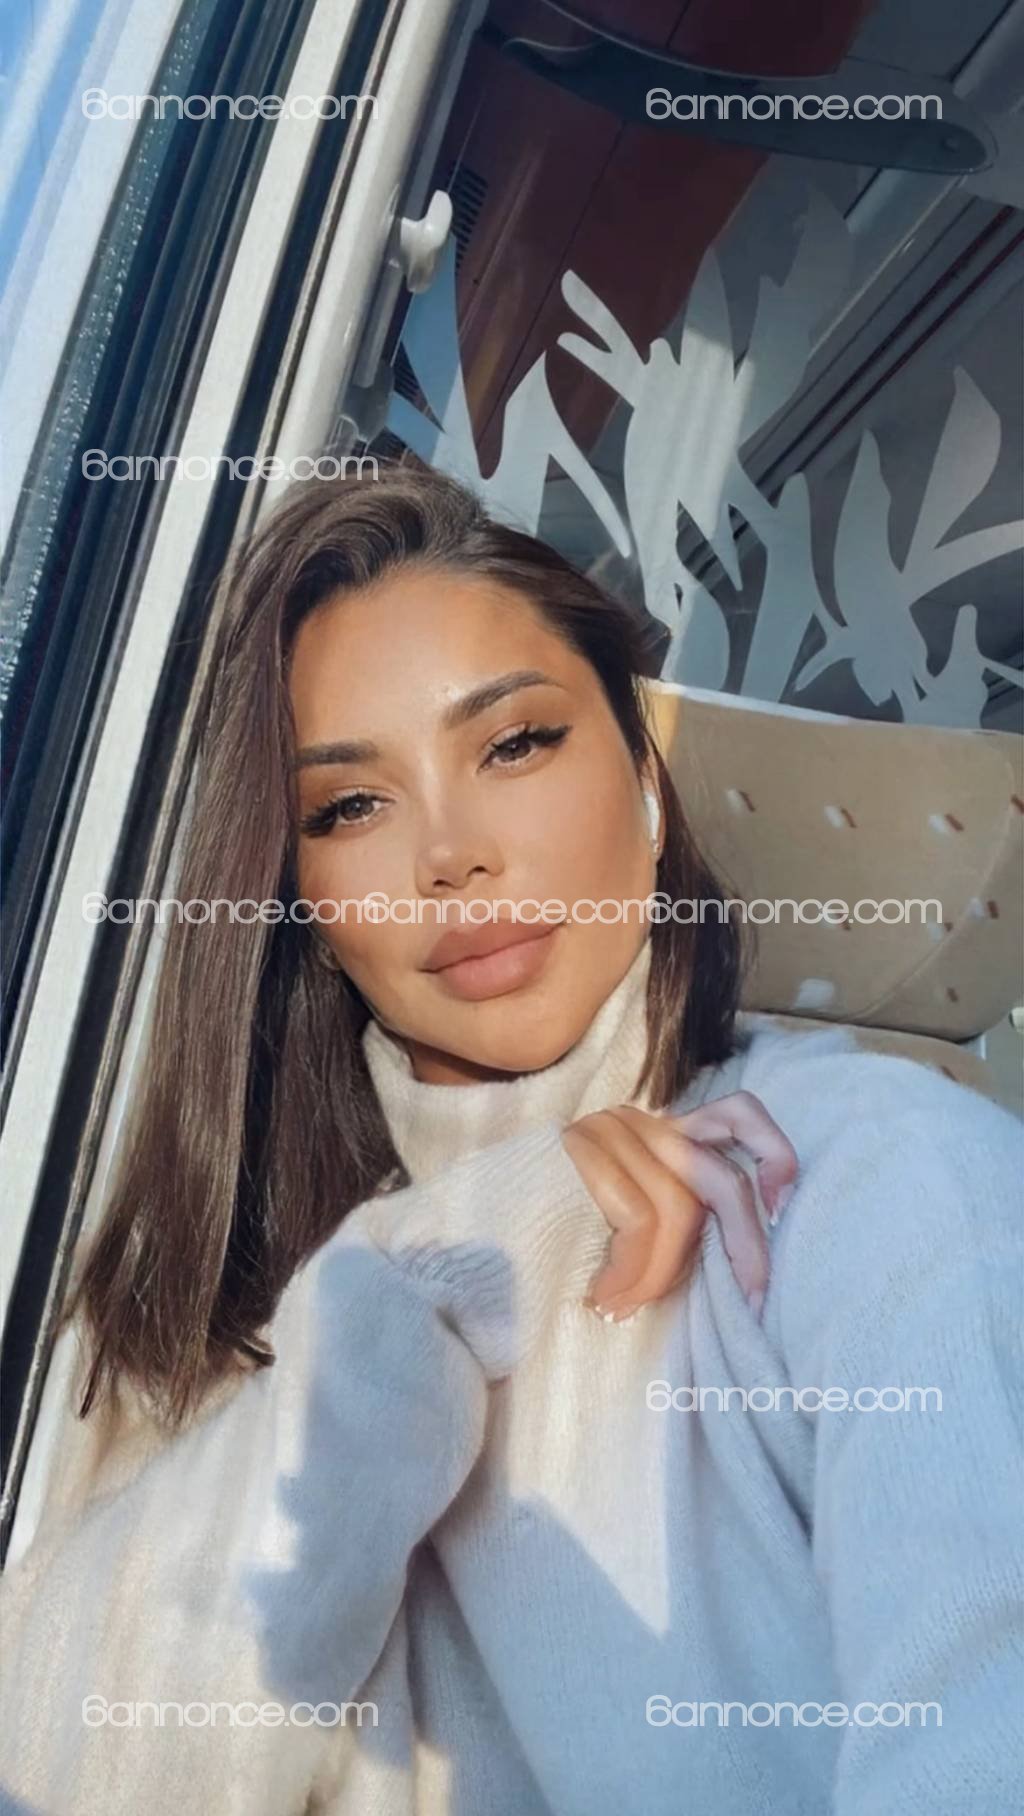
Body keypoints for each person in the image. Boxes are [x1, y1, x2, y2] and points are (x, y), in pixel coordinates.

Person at [1, 464, 1021, 1816]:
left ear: (646, 783)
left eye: (516, 743)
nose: (451, 854)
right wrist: (433, 1265)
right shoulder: (193, 1308)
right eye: (350, 806)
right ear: (302, 900)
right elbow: (72, 1773)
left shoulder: (863, 1173)